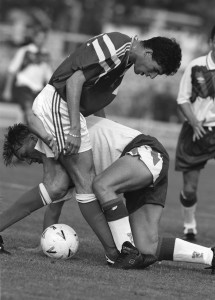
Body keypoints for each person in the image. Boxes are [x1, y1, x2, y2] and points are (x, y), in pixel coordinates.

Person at [1, 116, 215, 274]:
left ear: (32, 137)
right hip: (137, 172)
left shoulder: (57, 132)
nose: (29, 160)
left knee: (101, 185)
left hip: (145, 152)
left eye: (25, 154)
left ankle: (124, 253)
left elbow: (49, 190)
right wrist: (44, 243)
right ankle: (211, 256)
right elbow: (54, 205)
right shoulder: (61, 163)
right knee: (147, 247)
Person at [27, 32, 182, 248]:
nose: (152, 76)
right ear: (148, 53)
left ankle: (118, 250)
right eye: (155, 70)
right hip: (59, 107)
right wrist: (74, 129)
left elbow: (91, 94)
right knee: (73, 185)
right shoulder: (119, 47)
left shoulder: (124, 61)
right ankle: (117, 251)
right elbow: (75, 80)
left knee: (65, 185)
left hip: (70, 115)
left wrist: (101, 130)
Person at [175, 25, 215, 241]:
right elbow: (182, 99)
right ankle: (189, 225)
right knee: (189, 189)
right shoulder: (196, 66)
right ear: (212, 41)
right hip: (196, 132)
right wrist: (194, 122)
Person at [2, 26, 52, 123]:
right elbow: (12, 70)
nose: (41, 40)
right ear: (34, 38)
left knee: (37, 113)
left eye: (43, 38)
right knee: (28, 109)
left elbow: (48, 76)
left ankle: (24, 132)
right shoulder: (24, 51)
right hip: (24, 87)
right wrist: (7, 90)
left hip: (38, 89)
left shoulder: (46, 55)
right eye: (39, 37)